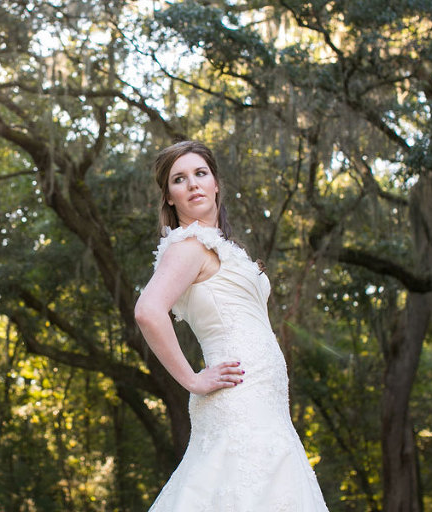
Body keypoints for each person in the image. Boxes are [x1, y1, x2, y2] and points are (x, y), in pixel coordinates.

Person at [134, 141, 329, 511]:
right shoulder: (188, 246)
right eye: (180, 179)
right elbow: (147, 311)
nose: (193, 184)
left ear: (216, 184)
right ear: (170, 198)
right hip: (236, 394)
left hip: (266, 402)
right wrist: (193, 379)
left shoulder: (220, 247)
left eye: (200, 174)